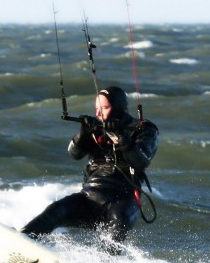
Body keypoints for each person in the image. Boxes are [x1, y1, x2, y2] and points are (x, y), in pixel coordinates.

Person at [22, 86, 159, 246]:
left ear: (119, 108)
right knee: (57, 209)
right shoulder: (96, 128)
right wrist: (83, 134)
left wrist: (122, 137)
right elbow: (74, 154)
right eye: (96, 109)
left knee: (119, 222)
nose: (98, 113)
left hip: (122, 200)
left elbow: (141, 160)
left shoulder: (143, 129)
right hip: (90, 197)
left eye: (105, 108)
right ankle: (25, 238)